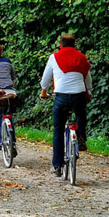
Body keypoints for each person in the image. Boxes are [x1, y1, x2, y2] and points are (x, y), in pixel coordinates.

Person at [40, 33, 92, 177]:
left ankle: (57, 166)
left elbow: (45, 80)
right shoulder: (81, 57)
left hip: (61, 96)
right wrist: (90, 90)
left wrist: (44, 92)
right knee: (81, 113)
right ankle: (80, 136)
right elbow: (87, 78)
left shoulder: (54, 57)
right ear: (74, 45)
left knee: (58, 130)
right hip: (79, 95)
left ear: (60, 45)